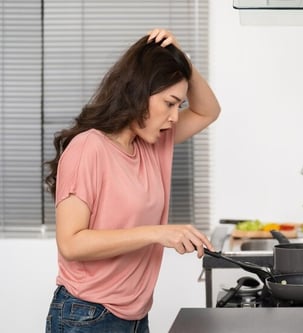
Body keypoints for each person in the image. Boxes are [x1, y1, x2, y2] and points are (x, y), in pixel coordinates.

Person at [44, 28, 220, 332]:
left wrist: (183, 62)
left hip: (136, 317)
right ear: (140, 92)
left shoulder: (152, 144)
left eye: (179, 106)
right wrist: (157, 233)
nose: (175, 116)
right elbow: (71, 243)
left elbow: (209, 111)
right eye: (169, 103)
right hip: (87, 316)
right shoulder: (89, 148)